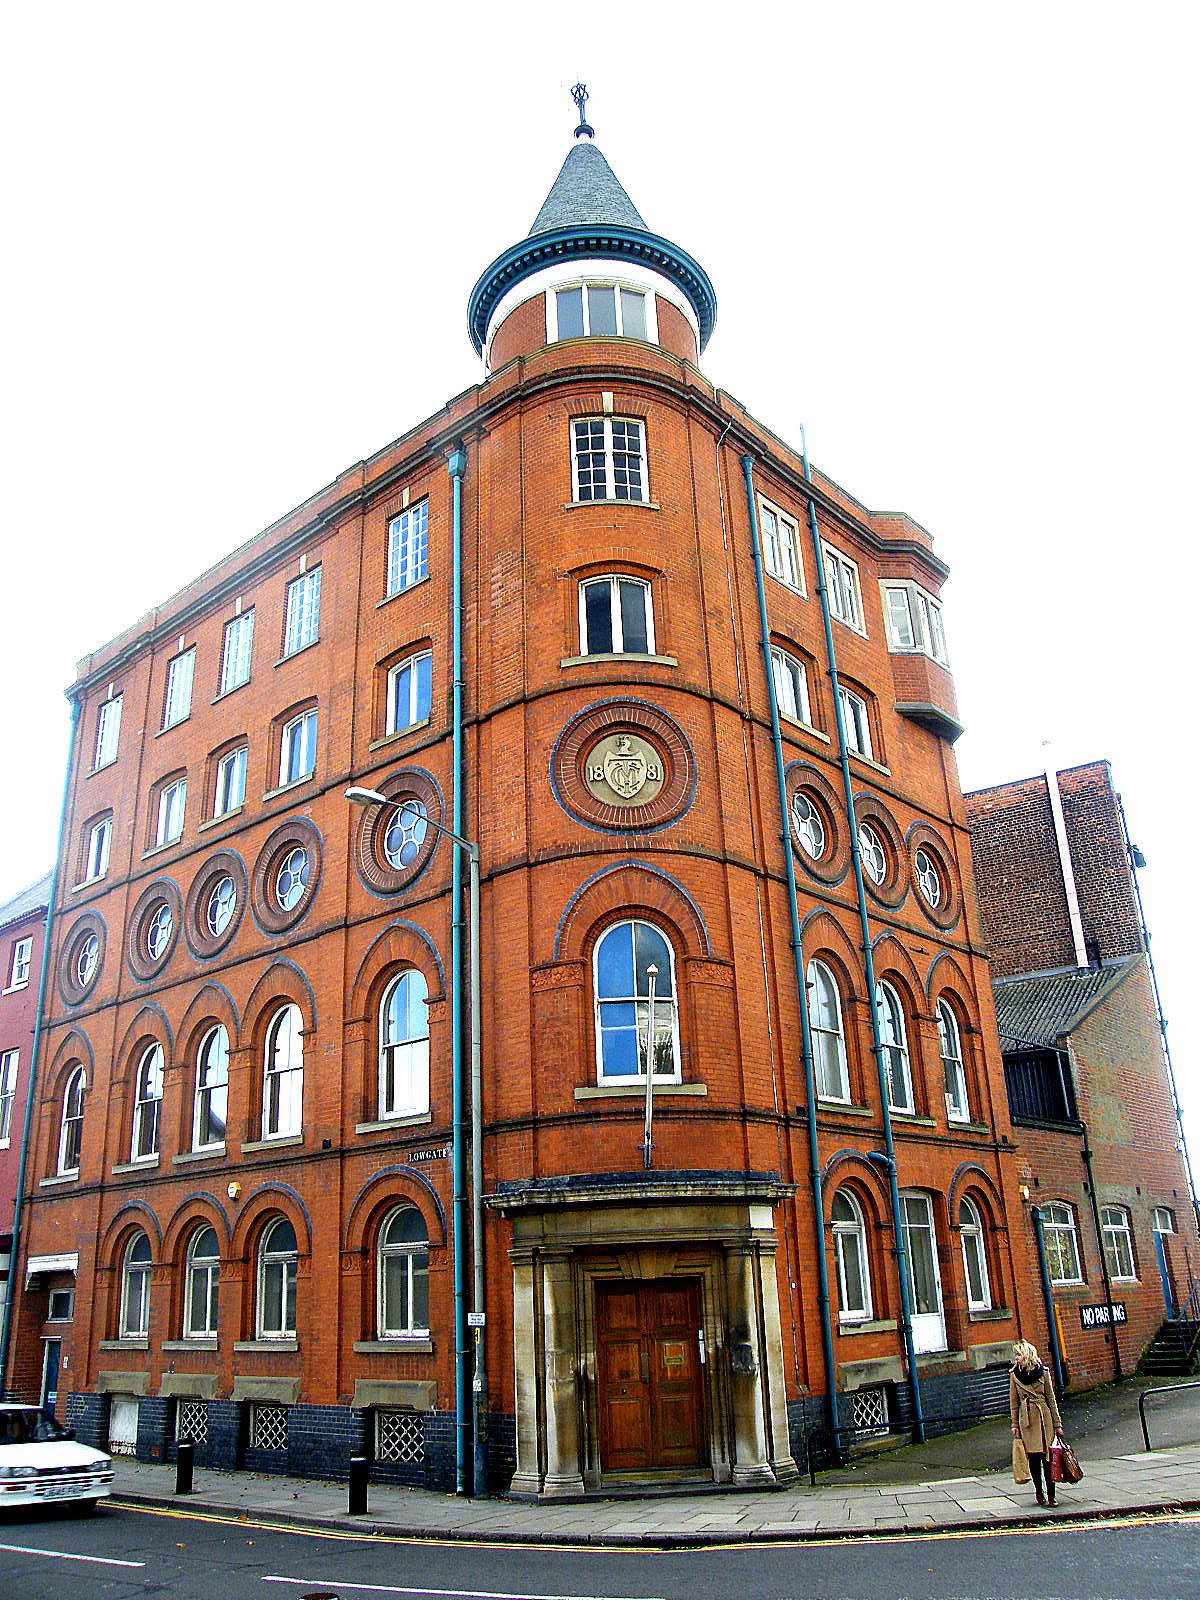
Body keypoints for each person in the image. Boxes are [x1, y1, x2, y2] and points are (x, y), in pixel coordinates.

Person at [1010, 1338, 1064, 1506]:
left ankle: (1052, 1495)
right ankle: (1039, 1492)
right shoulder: (1014, 1375)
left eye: (1019, 1355)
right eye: (1016, 1355)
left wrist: (1057, 1424)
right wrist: (1014, 1425)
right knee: (1033, 1459)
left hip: (1044, 1419)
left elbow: (1051, 1400)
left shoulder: (1043, 1372)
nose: (1016, 1358)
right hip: (1027, 1420)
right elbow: (1014, 1403)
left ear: (1027, 1355)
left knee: (1048, 1459)